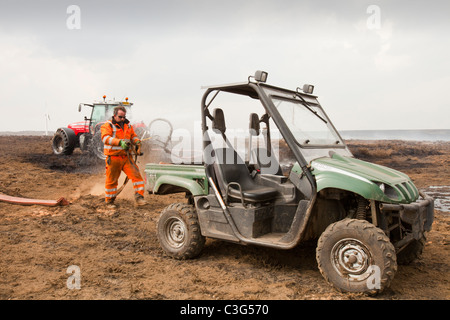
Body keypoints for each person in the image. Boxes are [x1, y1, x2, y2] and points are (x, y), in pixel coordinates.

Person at [100, 106, 147, 208]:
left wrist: (137, 141)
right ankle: (109, 201)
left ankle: (139, 198)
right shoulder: (107, 125)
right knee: (112, 181)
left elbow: (133, 136)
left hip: (126, 157)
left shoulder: (128, 126)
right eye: (120, 117)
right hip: (113, 158)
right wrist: (119, 142)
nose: (122, 119)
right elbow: (105, 138)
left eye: (124, 117)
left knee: (137, 176)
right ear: (114, 115)